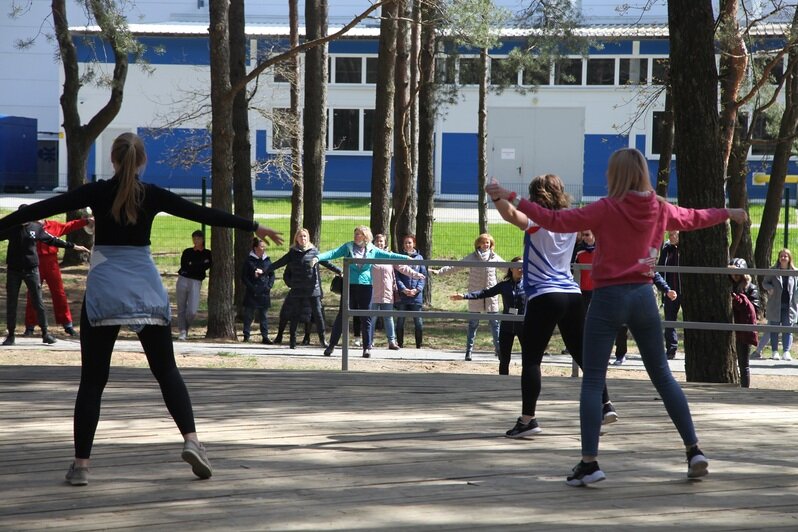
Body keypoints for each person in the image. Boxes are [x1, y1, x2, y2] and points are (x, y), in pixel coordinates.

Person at [0, 132, 283, 486]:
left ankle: (81, 466)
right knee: (167, 371)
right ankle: (192, 441)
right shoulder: (153, 195)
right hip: (145, 287)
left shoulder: (95, 192)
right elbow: (204, 214)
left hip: (105, 287)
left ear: (113, 160)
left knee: (93, 381)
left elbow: (36, 210)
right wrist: (255, 226)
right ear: (143, 161)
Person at [487, 147, 747, 486]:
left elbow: (555, 220)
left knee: (592, 379)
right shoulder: (659, 208)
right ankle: (694, 449)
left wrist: (511, 197)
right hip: (643, 298)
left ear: (615, 175)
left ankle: (589, 463)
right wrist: (728, 211)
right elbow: (695, 217)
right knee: (664, 377)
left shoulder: (605, 209)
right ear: (642, 173)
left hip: (608, 297)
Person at [484, 175, 616, 439]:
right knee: (582, 354)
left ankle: (528, 419)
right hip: (572, 294)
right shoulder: (571, 220)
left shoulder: (539, 219)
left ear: (535, 196)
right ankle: (605, 404)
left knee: (532, 359)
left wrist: (496, 196)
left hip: (545, 295)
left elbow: (511, 216)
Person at [314, 225, 422, 358]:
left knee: (366, 317)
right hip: (349, 286)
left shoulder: (372, 249)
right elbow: (332, 253)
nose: (356, 236)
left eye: (358, 234)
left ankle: (366, 348)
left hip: (365, 287)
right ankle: (331, 346)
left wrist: (406, 258)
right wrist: (318, 257)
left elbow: (389, 255)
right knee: (342, 316)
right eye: (355, 234)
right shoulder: (348, 247)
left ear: (365, 236)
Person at [0, 210, 90, 346]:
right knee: (24, 298)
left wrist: (84, 227)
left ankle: (59, 327)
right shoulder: (16, 228)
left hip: (43, 265)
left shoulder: (43, 227)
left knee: (52, 295)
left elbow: (62, 232)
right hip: (22, 267)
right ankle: (24, 328)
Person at [432, 234, 503, 361]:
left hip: (491, 296)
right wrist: (440, 272)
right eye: (484, 242)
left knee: (495, 324)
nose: (486, 245)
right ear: (479, 244)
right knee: (473, 324)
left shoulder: (494, 257)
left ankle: (499, 350)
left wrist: (521, 271)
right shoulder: (472, 257)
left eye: (488, 242)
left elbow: (508, 267)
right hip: (474, 295)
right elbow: (456, 266)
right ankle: (469, 351)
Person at [451, 257, 525, 375]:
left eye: (523, 266)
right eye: (518, 266)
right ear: (511, 268)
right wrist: (465, 296)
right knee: (504, 359)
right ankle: (503, 381)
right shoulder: (504, 286)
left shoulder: (530, 285)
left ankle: (526, 382)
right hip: (507, 326)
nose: (521, 269)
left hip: (523, 326)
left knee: (528, 359)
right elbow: (485, 293)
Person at [269, 228, 340, 349]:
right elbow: (279, 263)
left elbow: (327, 263)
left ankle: (323, 340)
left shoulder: (314, 251)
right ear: (296, 238)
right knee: (295, 314)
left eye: (305, 236)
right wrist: (264, 270)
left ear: (308, 238)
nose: (303, 239)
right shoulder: (292, 253)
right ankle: (293, 341)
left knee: (318, 315)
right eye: (301, 236)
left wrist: (340, 271)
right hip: (298, 290)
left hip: (313, 290)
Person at [23, 214, 92, 337]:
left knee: (59, 293)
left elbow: (69, 226)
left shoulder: (53, 225)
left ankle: (67, 324)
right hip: (35, 262)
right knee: (32, 294)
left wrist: (86, 221)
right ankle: (30, 326)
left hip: (51, 262)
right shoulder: (29, 227)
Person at [729, 258, 761, 388]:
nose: (735, 276)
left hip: (743, 330)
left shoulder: (751, 288)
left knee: (744, 364)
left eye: (738, 273)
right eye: (733, 273)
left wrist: (739, 300)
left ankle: (745, 390)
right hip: (731, 327)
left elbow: (754, 309)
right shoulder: (728, 284)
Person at [761, 248, 798, 361]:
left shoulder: (795, 271)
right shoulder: (773, 270)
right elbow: (764, 283)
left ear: (789, 258)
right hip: (775, 305)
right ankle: (774, 351)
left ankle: (786, 352)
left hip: (790, 306)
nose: (783, 258)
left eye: (785, 256)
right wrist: (770, 288)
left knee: (788, 329)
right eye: (781, 256)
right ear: (778, 258)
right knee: (774, 329)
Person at [175, 230, 212, 341]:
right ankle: (182, 331)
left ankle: (186, 328)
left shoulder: (207, 253)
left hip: (196, 282)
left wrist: (193, 264)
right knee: (181, 307)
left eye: (198, 239)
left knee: (192, 310)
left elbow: (205, 266)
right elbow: (185, 266)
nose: (196, 241)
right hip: (183, 279)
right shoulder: (187, 252)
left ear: (202, 240)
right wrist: (198, 265)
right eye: (194, 238)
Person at [394, 234, 427, 349]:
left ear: (414, 244)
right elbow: (396, 277)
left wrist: (416, 290)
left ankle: (419, 345)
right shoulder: (399, 257)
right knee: (400, 321)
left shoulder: (420, 258)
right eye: (405, 243)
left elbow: (423, 276)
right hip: (403, 296)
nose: (407, 245)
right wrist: (403, 289)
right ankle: (400, 344)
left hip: (416, 296)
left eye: (410, 243)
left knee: (418, 322)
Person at [242, 237, 275, 344]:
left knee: (263, 316)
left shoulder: (267, 260)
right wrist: (251, 287)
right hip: (252, 292)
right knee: (248, 315)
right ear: (255, 248)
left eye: (264, 246)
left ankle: (265, 336)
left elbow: (272, 275)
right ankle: (246, 336)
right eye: (261, 246)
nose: (263, 248)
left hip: (264, 292)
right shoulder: (249, 260)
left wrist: (269, 286)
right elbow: (244, 276)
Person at [658, 230, 681, 359]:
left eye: (673, 234)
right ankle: (671, 349)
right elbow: (660, 268)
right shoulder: (667, 249)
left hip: (683, 291)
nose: (670, 237)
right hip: (670, 291)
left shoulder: (686, 249)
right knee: (669, 319)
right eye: (669, 234)